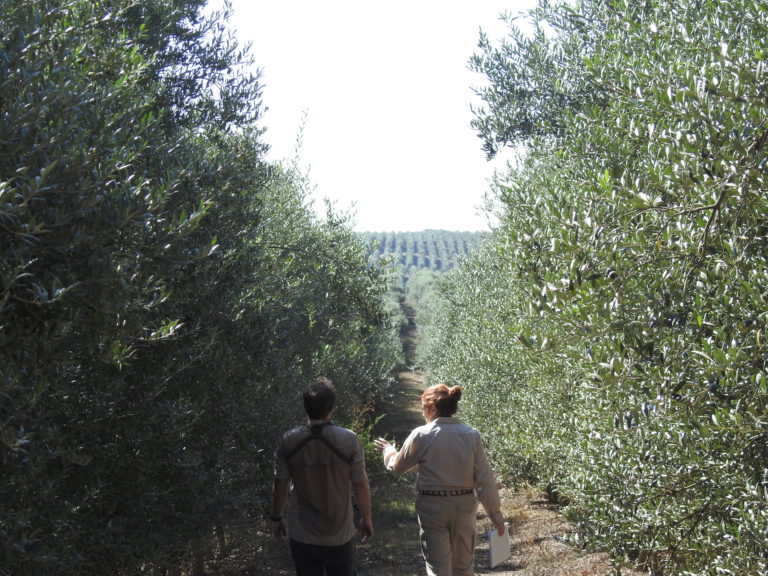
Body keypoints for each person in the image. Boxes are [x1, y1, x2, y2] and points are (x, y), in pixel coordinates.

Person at [374, 383, 504, 576]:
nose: (422, 414)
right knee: (463, 567)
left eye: (423, 409)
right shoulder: (471, 435)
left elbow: (398, 467)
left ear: (433, 408)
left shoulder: (421, 434)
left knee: (438, 569)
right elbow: (484, 478)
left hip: (432, 506)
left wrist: (389, 451)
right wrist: (496, 516)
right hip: (464, 506)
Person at [272, 378, 374, 576]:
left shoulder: (288, 440)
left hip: (302, 532)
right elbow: (360, 484)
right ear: (332, 407)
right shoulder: (348, 440)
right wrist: (366, 518)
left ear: (305, 407)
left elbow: (280, 483)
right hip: (339, 533)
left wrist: (276, 518)